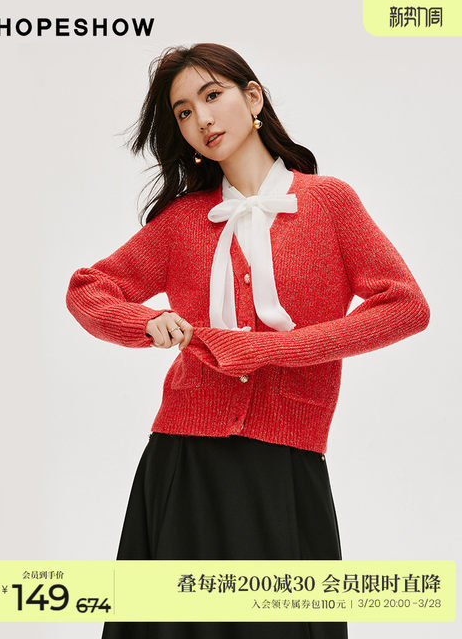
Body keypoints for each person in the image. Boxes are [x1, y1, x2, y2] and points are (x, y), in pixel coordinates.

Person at [65, 43, 430, 639]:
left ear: (253, 97)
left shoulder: (329, 203)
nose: (202, 119)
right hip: (183, 460)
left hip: (285, 462)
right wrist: (143, 323)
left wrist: (269, 351)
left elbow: (406, 307)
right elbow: (89, 288)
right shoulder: (185, 220)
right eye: (184, 112)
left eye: (212, 96)